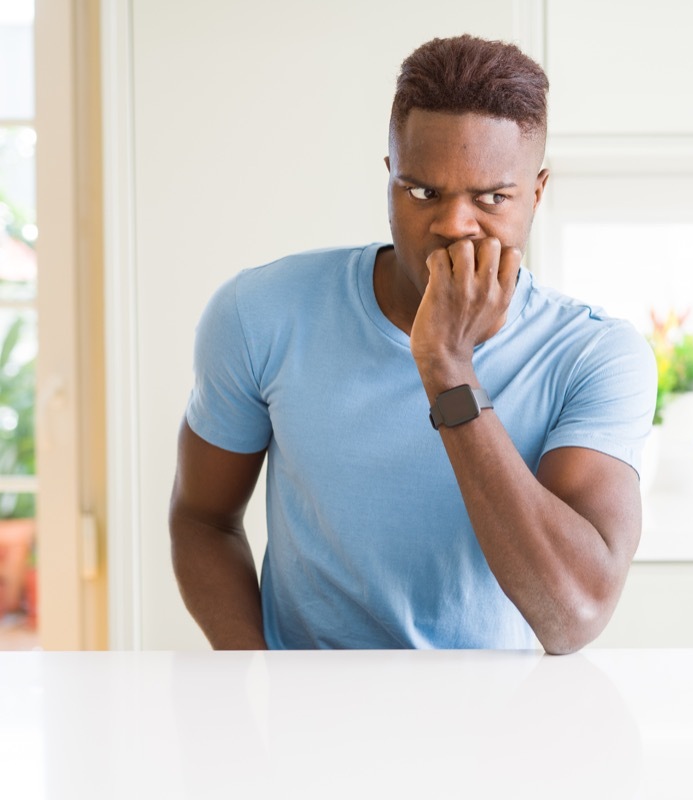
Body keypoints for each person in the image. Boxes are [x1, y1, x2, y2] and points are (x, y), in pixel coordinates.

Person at [169, 35, 656, 654]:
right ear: (390, 179)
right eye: (423, 192)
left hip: (505, 731)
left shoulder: (594, 356)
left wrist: (447, 368)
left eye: (491, 198)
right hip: (307, 726)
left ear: (536, 193)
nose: (454, 224)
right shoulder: (260, 312)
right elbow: (202, 520)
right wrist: (258, 678)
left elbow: (572, 616)